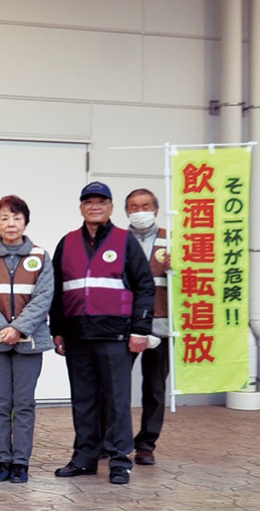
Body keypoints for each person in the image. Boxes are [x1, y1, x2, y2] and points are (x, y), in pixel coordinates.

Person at [51, 181, 154, 485]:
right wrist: (57, 330)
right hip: (77, 335)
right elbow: (56, 290)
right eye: (88, 201)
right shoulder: (67, 242)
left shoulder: (125, 241)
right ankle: (84, 458)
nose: (94, 206)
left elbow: (144, 287)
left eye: (101, 201)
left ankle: (120, 460)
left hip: (115, 335)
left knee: (117, 401)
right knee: (83, 400)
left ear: (110, 207)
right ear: (81, 207)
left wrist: (140, 330)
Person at [0, 195, 55, 484]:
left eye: (16, 218)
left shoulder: (40, 256)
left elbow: (44, 297)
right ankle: (3, 460)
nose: (11, 223)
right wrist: (1, 328)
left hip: (29, 342)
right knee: (0, 403)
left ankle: (21, 463)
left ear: (25, 221)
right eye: (4, 218)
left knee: (24, 403)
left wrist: (18, 328)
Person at [121, 188, 170, 466]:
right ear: (127, 211)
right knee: (116, 387)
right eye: (134, 206)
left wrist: (182, 267)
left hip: (162, 326)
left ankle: (146, 444)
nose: (140, 211)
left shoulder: (172, 241)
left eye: (146, 205)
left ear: (156, 209)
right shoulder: (117, 240)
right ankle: (114, 440)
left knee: (154, 388)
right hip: (125, 326)